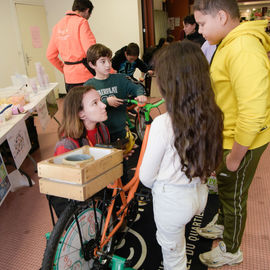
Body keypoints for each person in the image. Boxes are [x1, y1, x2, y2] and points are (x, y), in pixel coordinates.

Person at [194, 0, 270, 268]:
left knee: (234, 194)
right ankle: (223, 224)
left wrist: (236, 156)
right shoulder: (228, 43)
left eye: (202, 23)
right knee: (226, 188)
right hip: (228, 135)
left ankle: (231, 249)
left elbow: (253, 110)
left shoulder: (242, 47)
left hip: (242, 141)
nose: (200, 30)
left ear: (222, 17)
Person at [139, 41, 224, 270]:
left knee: (173, 255)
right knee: (181, 235)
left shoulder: (163, 124)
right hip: (199, 194)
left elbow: (146, 177)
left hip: (172, 202)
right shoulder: (213, 114)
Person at [48, 85, 110, 217]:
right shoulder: (66, 146)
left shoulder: (102, 129)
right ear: (81, 114)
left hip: (95, 184)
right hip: (76, 199)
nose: (103, 105)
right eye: (95, 103)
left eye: (100, 100)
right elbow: (66, 190)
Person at [84, 43, 147, 143]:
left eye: (109, 60)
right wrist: (106, 102)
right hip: (102, 134)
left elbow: (136, 87)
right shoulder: (88, 85)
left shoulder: (120, 78)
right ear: (92, 64)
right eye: (103, 61)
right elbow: (86, 110)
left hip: (122, 131)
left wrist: (140, 94)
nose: (108, 65)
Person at [47, 0, 96, 93]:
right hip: (86, 75)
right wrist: (109, 70)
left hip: (69, 78)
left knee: (75, 106)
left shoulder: (58, 26)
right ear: (87, 10)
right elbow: (91, 51)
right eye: (90, 14)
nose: (89, 17)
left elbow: (50, 55)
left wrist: (65, 69)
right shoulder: (82, 22)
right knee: (91, 104)